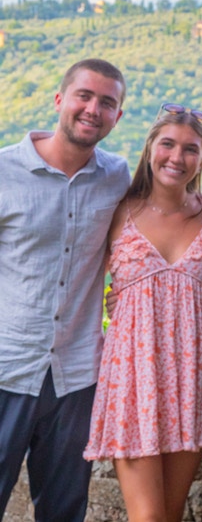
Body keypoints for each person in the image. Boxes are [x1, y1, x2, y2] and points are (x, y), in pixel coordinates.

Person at [0, 59, 130, 521]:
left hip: (75, 378)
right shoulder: (4, 172)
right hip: (6, 368)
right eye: (84, 96)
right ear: (60, 100)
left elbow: (155, 227)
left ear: (118, 115)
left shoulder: (119, 179)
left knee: (64, 511)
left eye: (107, 102)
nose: (93, 109)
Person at [84, 104, 202, 522]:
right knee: (147, 517)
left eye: (190, 149)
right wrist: (122, 300)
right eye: (167, 144)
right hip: (133, 378)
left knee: (169, 514)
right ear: (150, 148)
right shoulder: (119, 209)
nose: (176, 157)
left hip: (191, 376)